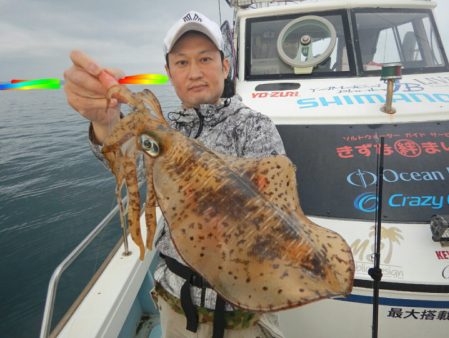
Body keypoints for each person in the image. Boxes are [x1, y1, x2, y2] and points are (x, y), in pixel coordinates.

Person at [64, 10, 286, 338]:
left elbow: (271, 217)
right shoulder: (166, 134)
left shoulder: (254, 127)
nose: (194, 72)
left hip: (242, 308)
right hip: (176, 305)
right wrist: (105, 121)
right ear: (169, 73)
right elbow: (129, 159)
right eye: (181, 63)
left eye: (205, 59)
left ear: (225, 66)